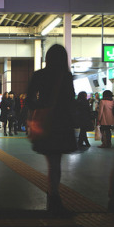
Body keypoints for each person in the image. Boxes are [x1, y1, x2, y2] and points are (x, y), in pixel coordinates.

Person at [25, 44, 77, 214]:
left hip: (45, 123)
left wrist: (41, 107)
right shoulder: (66, 76)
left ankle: (53, 198)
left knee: (52, 162)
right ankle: (54, 199)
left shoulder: (39, 75)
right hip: (61, 124)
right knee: (56, 164)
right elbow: (70, 100)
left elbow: (29, 100)